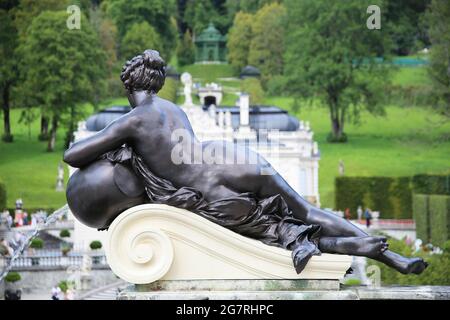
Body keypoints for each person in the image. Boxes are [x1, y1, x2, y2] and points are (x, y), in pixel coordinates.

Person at [64, 49, 427, 275]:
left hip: (212, 191)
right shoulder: (171, 109)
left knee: (273, 235)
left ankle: (360, 251)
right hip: (230, 158)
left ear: (129, 87)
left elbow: (73, 155)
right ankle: (390, 256)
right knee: (304, 211)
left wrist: (117, 148)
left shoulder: (133, 119)